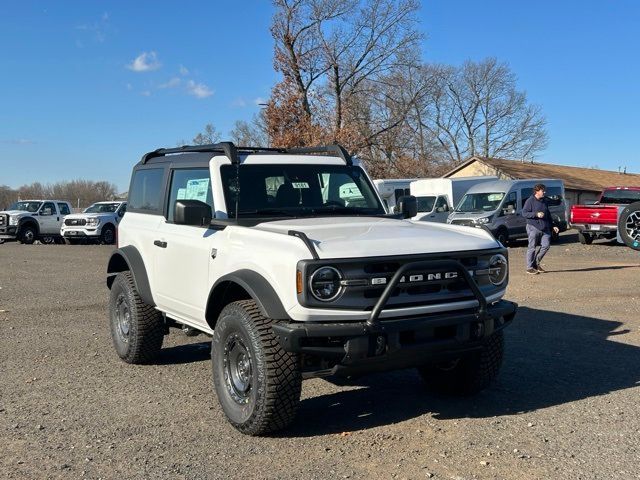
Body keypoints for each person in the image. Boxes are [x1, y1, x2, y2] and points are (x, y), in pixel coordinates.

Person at [522, 183, 560, 275]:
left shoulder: (544, 201)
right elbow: (524, 213)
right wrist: (536, 214)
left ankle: (535, 263)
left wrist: (553, 225)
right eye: (543, 191)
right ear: (537, 191)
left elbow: (548, 214)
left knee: (546, 245)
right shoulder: (530, 201)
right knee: (532, 247)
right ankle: (529, 267)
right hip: (533, 227)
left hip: (545, 227)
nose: (544, 192)